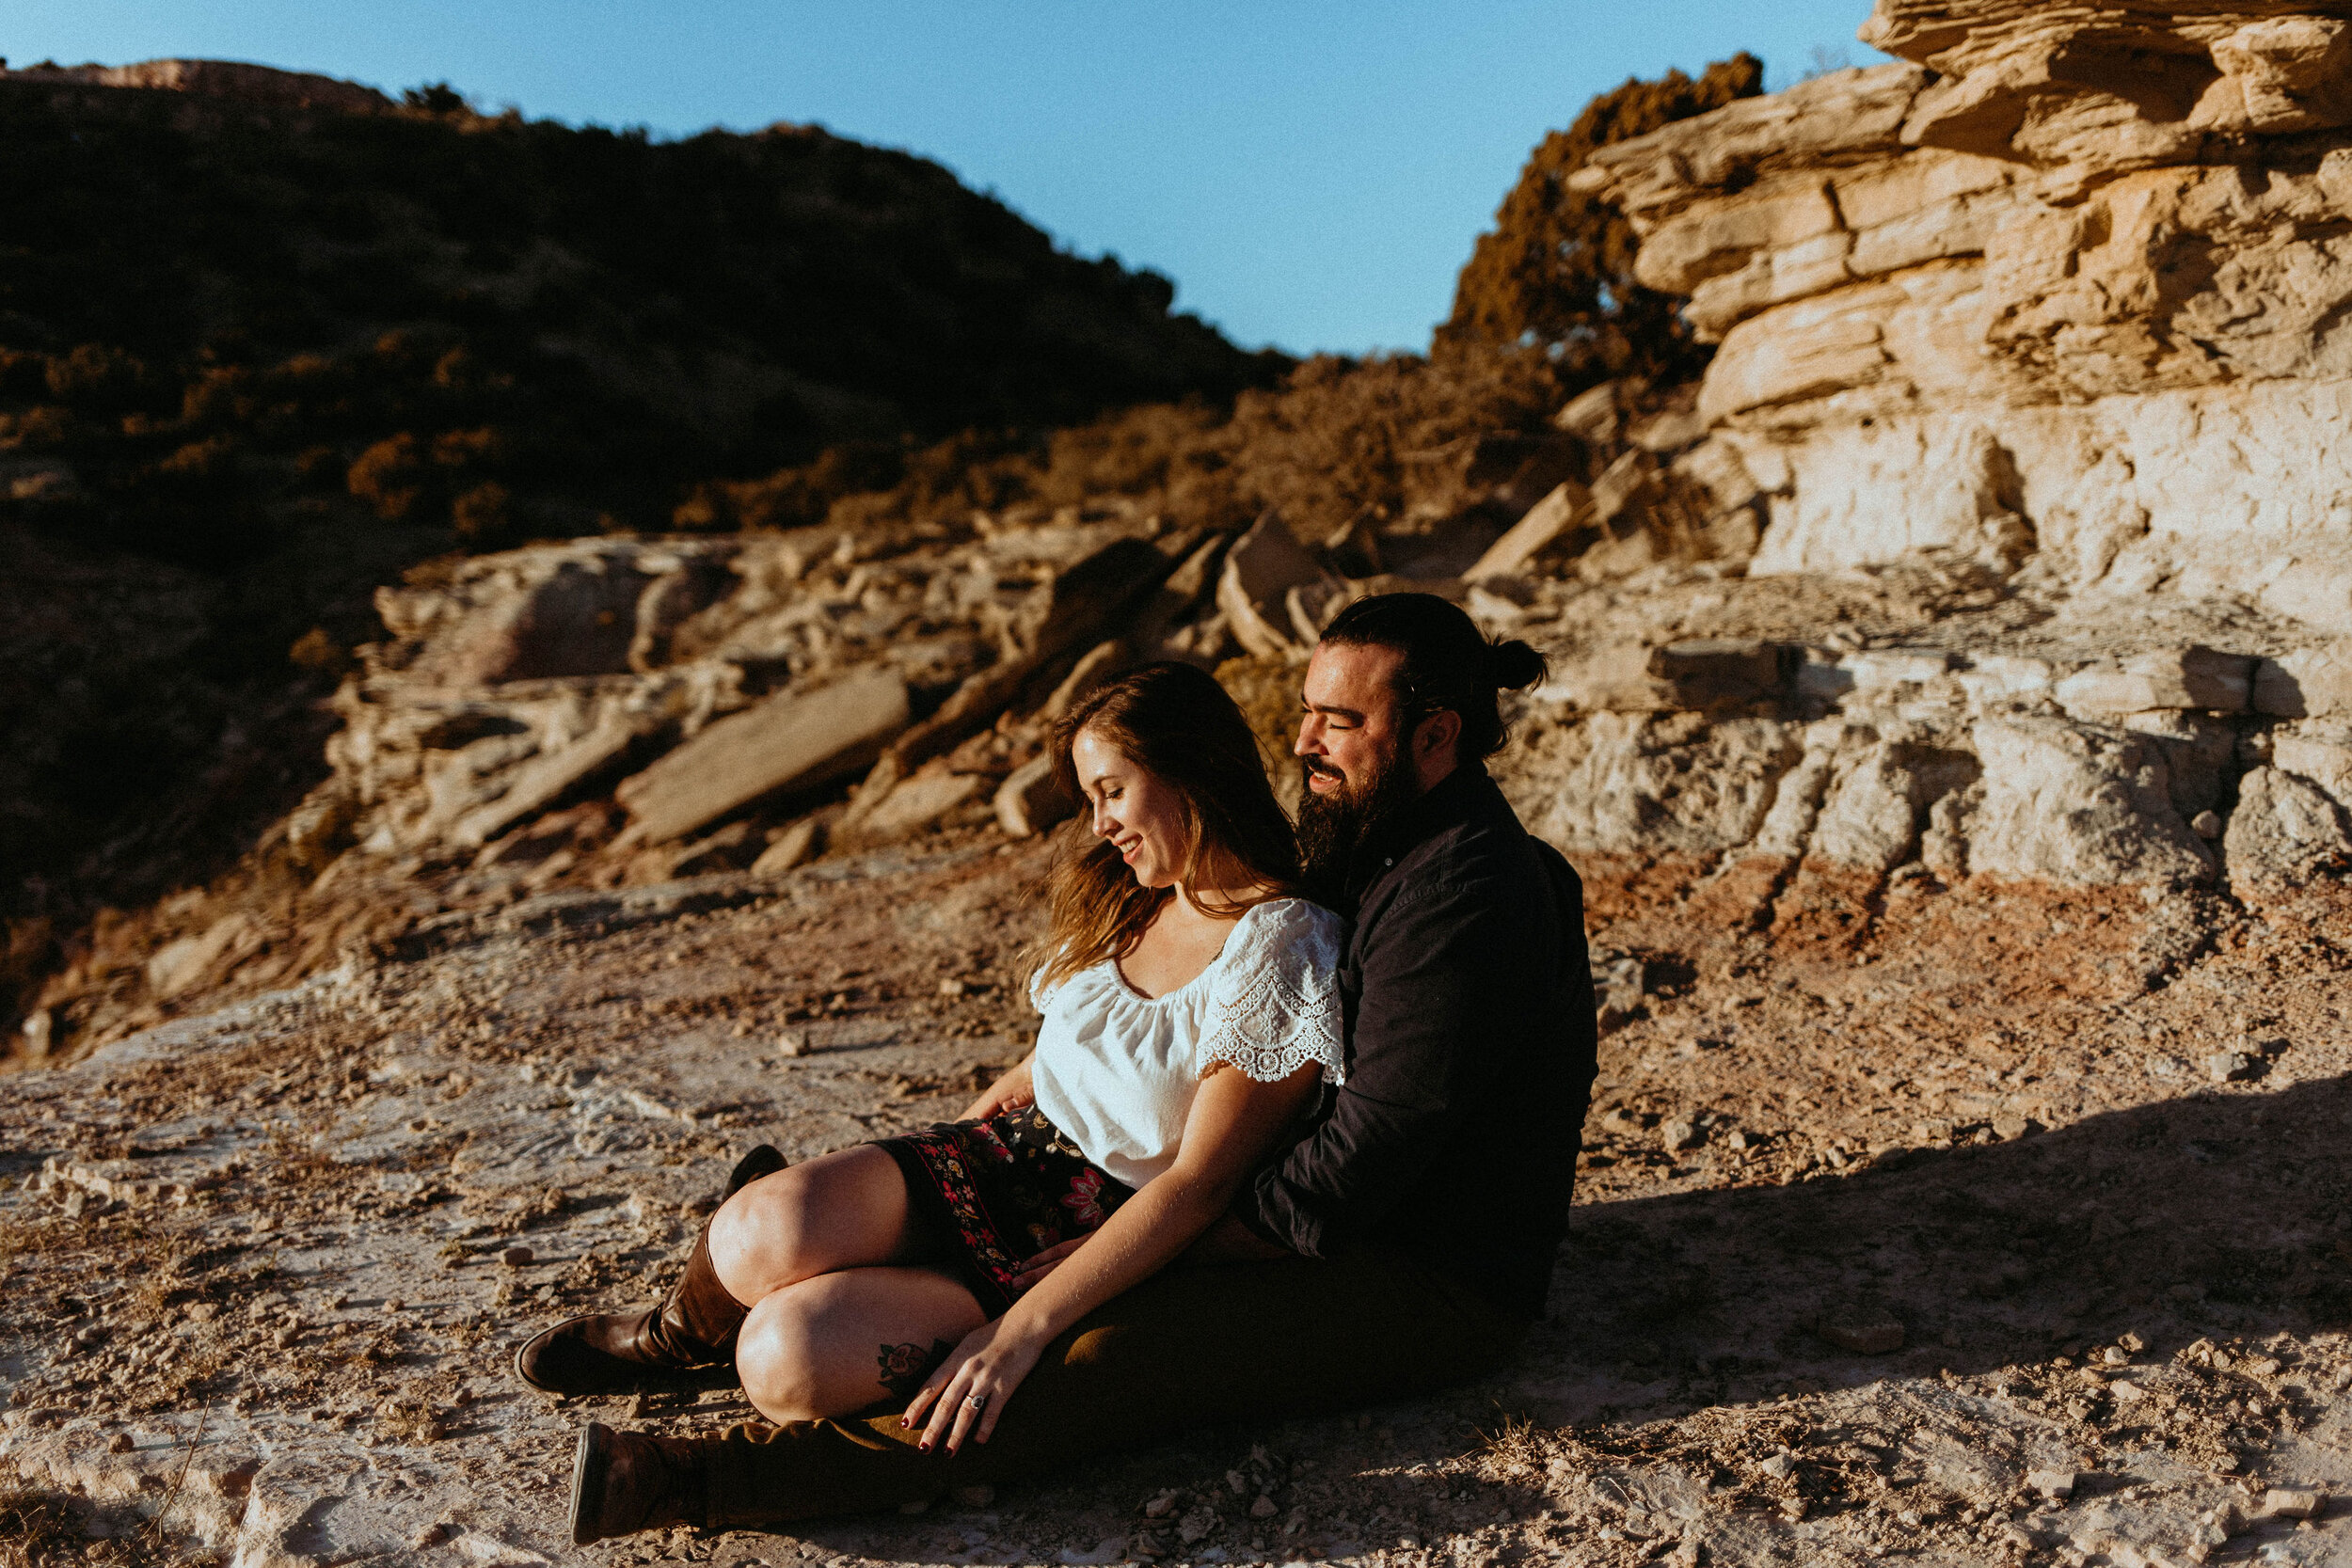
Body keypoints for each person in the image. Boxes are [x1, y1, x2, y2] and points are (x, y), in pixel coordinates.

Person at [557, 592, 1598, 1542]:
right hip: (1317, 1208)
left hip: (1422, 1269)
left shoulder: (1469, 890)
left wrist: (1157, 1252)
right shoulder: (1371, 834)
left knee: (1095, 1354)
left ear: (1435, 734)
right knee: (912, 1256)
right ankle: (706, 1325)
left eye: (1340, 720)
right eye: (1304, 710)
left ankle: (705, 1482)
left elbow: (1361, 1161)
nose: (1303, 741)